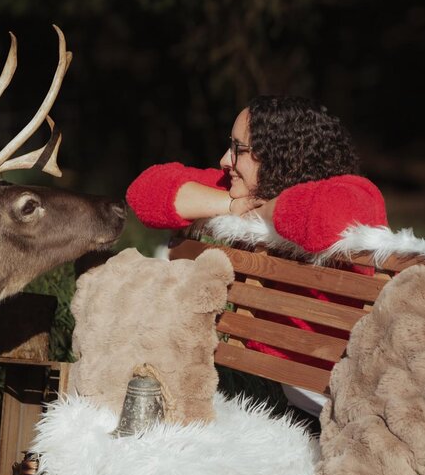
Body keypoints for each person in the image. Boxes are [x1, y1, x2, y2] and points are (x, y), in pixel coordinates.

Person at [125, 95, 388, 415]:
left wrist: (262, 204)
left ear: (280, 154)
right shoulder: (243, 192)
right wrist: (232, 206)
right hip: (291, 391)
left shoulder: (355, 193)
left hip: (355, 399)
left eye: (239, 150)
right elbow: (146, 192)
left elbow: (324, 221)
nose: (225, 160)